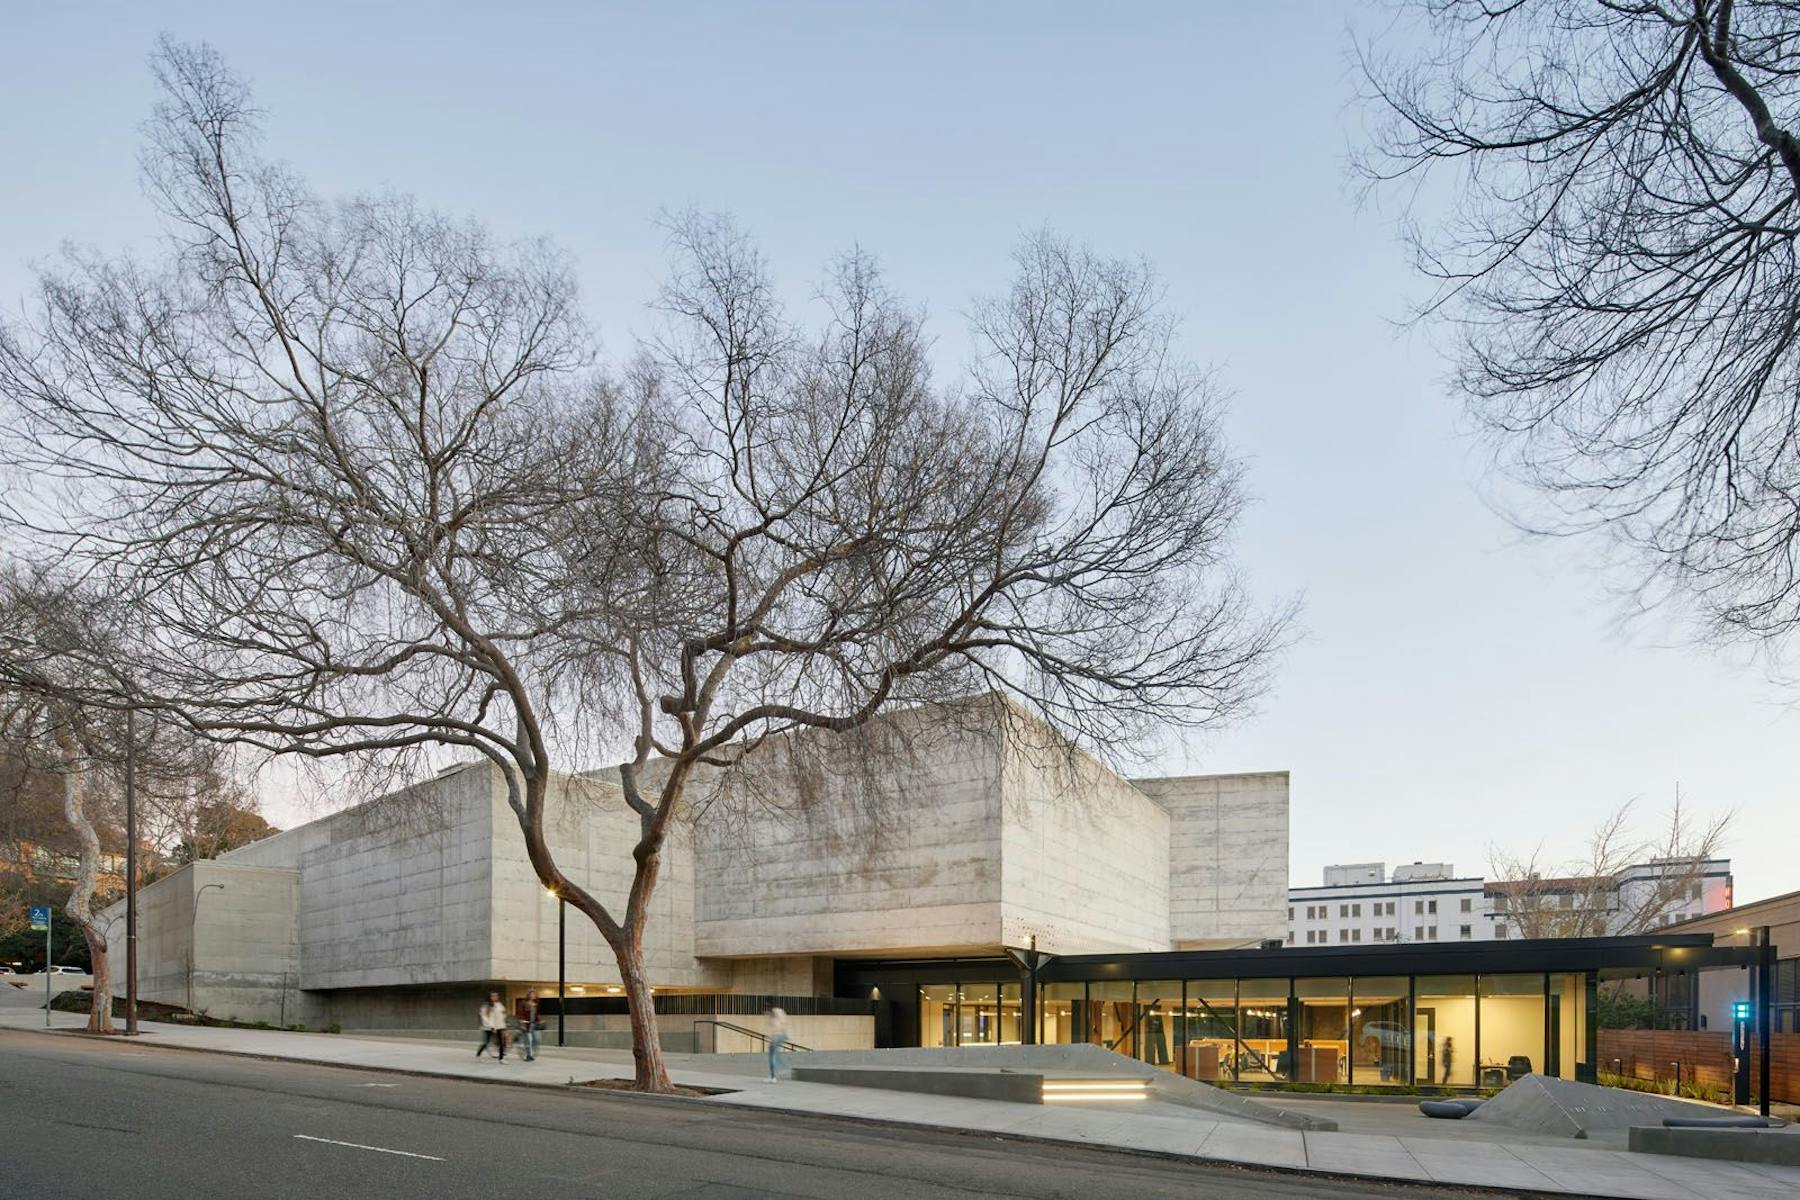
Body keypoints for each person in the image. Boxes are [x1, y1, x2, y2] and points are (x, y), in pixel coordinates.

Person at [477, 991, 509, 1061]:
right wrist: (492, 1026)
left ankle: (501, 1058)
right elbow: (485, 1018)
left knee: (501, 1042)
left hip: (499, 1026)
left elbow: (503, 1014)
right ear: (489, 997)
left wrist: (504, 1023)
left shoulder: (499, 1005)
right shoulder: (485, 1006)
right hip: (489, 1027)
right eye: (493, 996)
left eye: (496, 996)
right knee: (486, 1042)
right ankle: (479, 1054)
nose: (495, 997)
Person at [765, 1004, 788, 1081]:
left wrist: (771, 1038)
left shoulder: (772, 1015)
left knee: (772, 1056)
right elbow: (784, 1023)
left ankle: (773, 1076)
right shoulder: (780, 1011)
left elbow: (773, 1029)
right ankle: (782, 1068)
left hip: (775, 1037)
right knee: (777, 1054)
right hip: (781, 1035)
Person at [519, 988, 542, 1062]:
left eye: (534, 994)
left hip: (535, 1024)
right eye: (531, 994)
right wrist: (522, 1022)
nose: (533, 995)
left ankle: (530, 1052)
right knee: (528, 1040)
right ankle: (529, 1055)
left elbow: (537, 1014)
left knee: (537, 1040)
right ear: (528, 995)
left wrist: (539, 1020)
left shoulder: (536, 1004)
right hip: (527, 1024)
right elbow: (521, 1013)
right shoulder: (523, 1003)